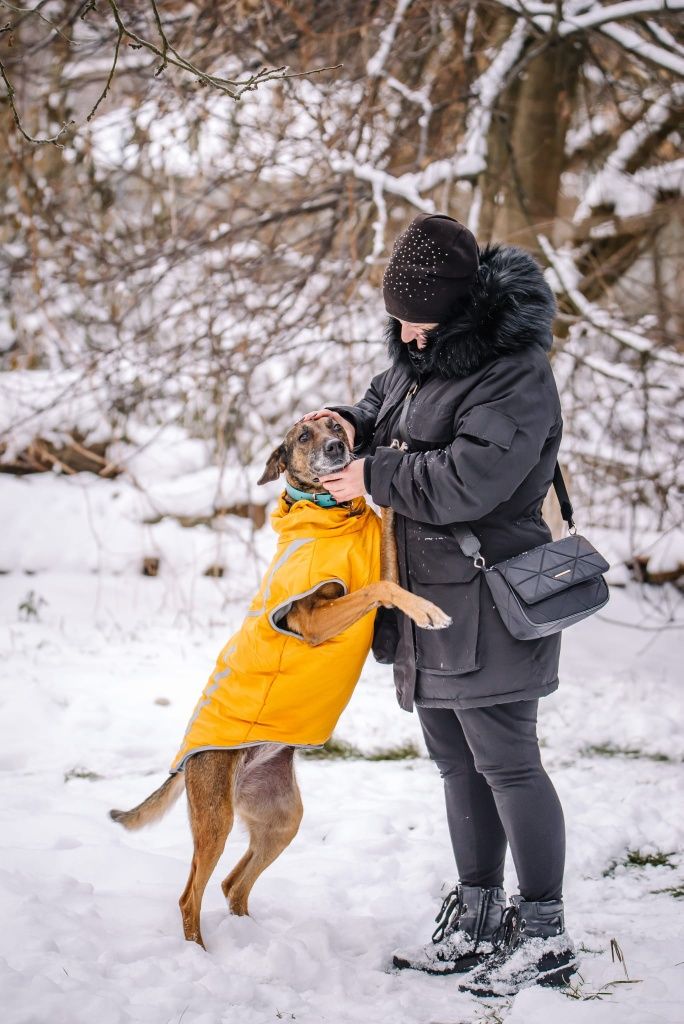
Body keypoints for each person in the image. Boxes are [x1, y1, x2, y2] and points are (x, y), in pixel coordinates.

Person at [302, 213, 577, 997]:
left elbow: (471, 482)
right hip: (427, 601)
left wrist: (376, 478)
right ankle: (480, 920)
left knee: (509, 764)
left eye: (417, 321)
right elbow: (380, 405)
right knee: (457, 763)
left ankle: (546, 936)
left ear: (458, 312)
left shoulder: (513, 373)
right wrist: (346, 425)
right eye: (398, 321)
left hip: (493, 594)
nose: (406, 336)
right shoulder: (421, 359)